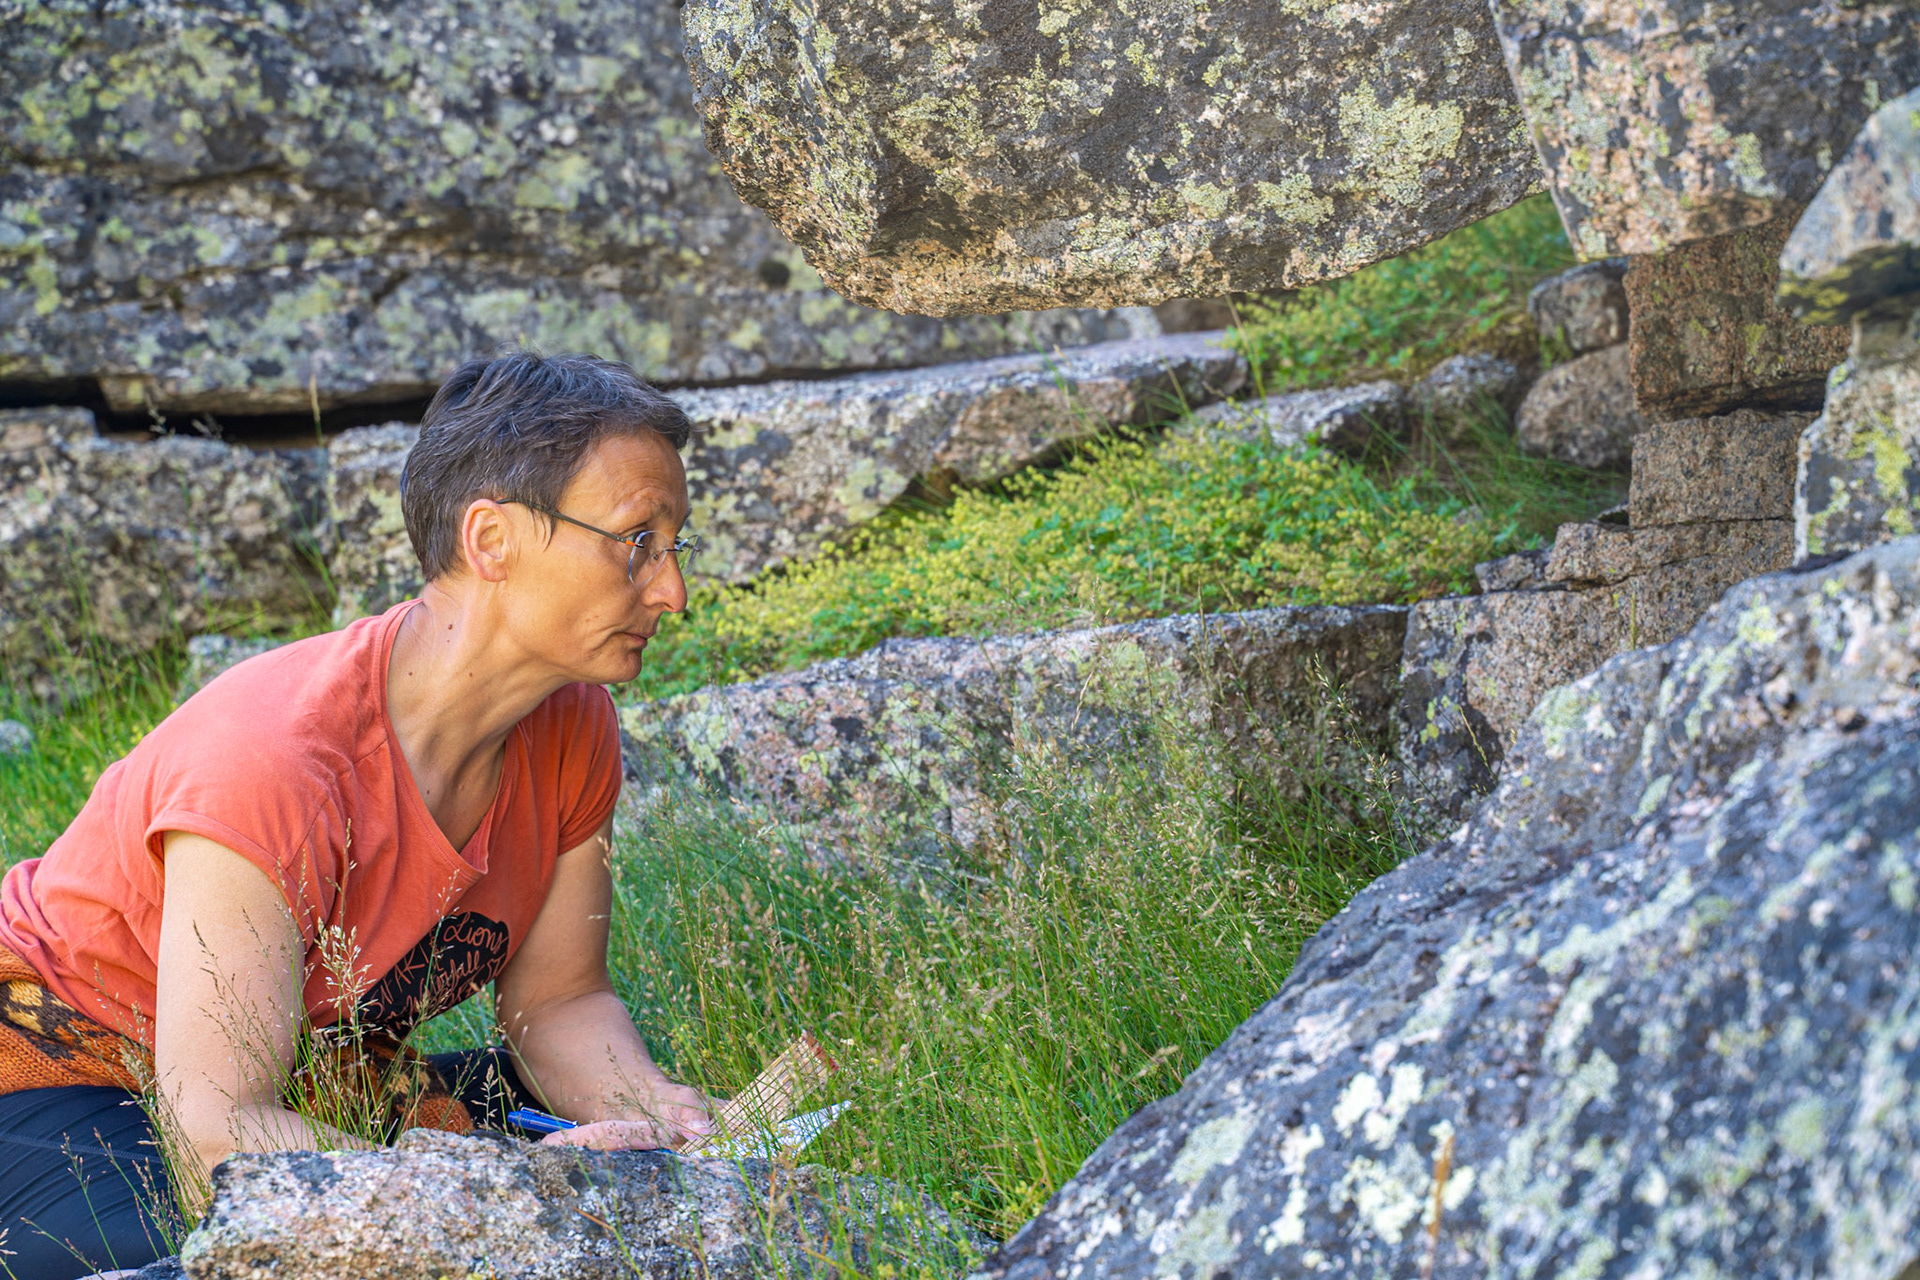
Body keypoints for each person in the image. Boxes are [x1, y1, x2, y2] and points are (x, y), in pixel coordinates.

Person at [0, 351, 714, 1278]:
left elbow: (560, 1001)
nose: (671, 592)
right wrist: (493, 1203)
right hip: (69, 1090)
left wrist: (662, 1116)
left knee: (629, 1171)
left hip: (298, 1084)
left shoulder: (573, 725)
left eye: (674, 546)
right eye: (635, 541)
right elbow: (218, 1125)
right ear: (491, 539)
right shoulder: (272, 763)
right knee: (271, 1260)